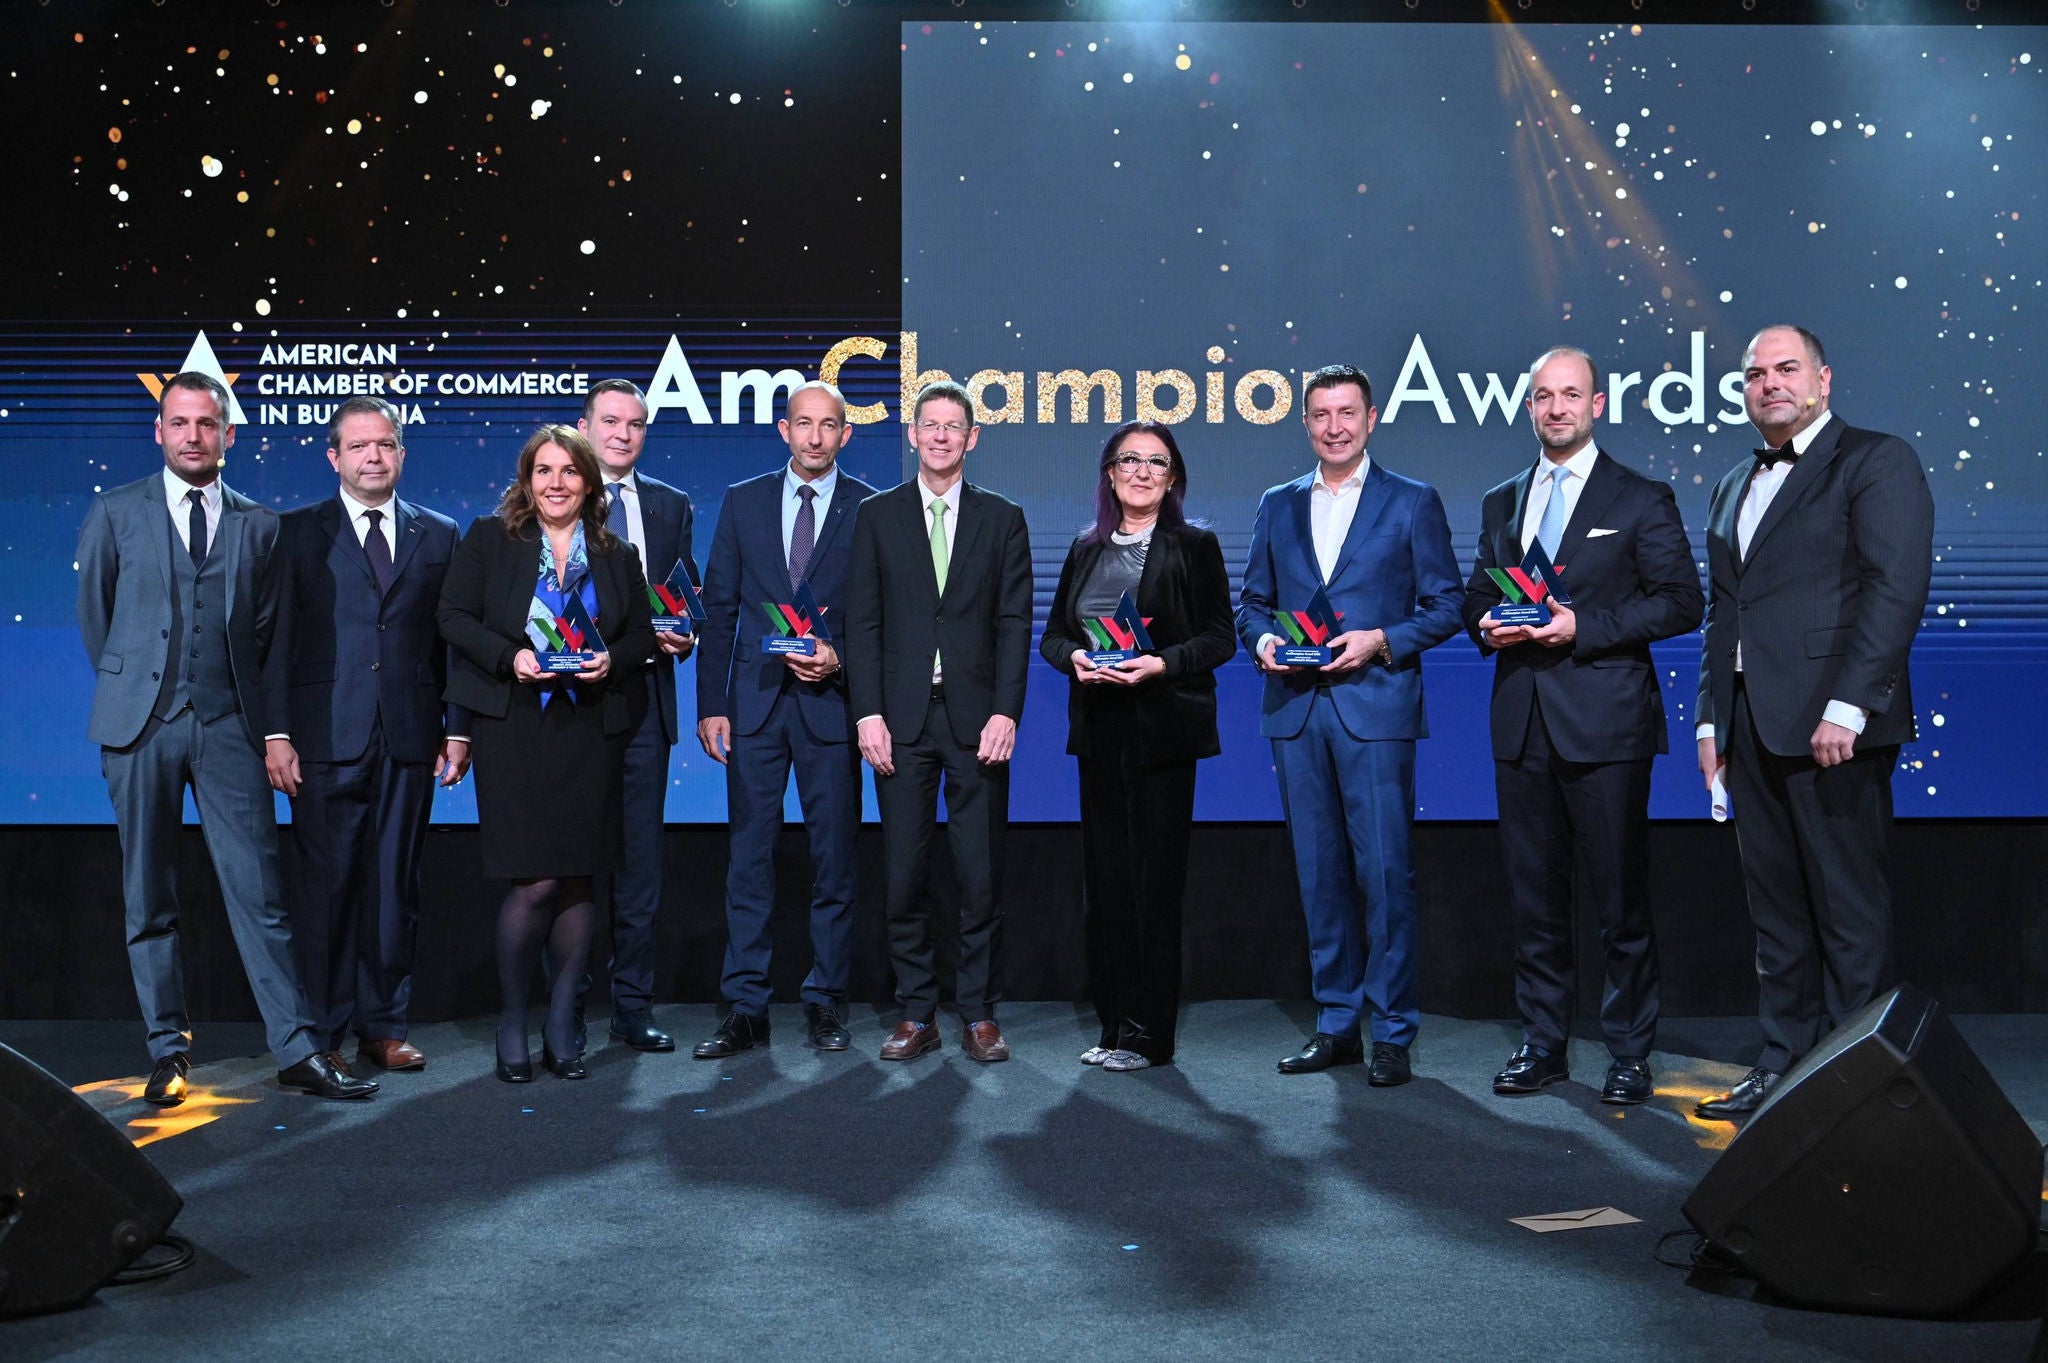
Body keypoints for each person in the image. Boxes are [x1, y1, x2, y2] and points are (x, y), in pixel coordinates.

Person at [76, 370, 375, 1104]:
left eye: (206, 424)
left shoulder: (259, 524)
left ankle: (296, 1048)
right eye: (179, 423)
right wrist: (136, 688)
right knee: (148, 895)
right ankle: (167, 1051)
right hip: (139, 728)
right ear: (159, 431)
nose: (193, 436)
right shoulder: (115, 512)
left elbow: (267, 637)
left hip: (229, 727)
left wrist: (265, 727)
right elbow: (98, 619)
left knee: (260, 894)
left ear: (228, 434)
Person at [1693, 325, 1933, 1118]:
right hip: (1751, 725)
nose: (1770, 384)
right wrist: (1710, 722)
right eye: (1755, 374)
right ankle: (1784, 1066)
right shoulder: (1733, 482)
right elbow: (1724, 612)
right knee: (1777, 914)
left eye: (1786, 369)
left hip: (1835, 727)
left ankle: (1857, 1083)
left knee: (1849, 914)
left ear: (1823, 380)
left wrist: (1849, 705)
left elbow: (1895, 589)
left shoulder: (1876, 459)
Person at [1463, 348, 1703, 1105]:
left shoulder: (1640, 496)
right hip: (1521, 722)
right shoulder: (1502, 500)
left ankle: (1629, 1051)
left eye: (1570, 395)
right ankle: (1543, 1044)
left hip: (1607, 727)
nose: (1556, 408)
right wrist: (1486, 624)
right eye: (1543, 396)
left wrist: (1582, 627)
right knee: (1534, 899)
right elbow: (1477, 593)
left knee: (1619, 900)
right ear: (1529, 407)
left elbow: (1681, 602)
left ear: (1597, 404)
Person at [1237, 363, 1463, 1084]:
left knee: (1386, 876)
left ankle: (1392, 1030)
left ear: (1371, 419)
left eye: (1347, 413)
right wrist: (1263, 643)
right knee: (1319, 876)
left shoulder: (1413, 500)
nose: (1334, 427)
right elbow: (1251, 603)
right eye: (1321, 415)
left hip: (1376, 708)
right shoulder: (1277, 503)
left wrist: (1382, 640)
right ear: (1305, 423)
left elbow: (1447, 605)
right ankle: (1336, 1022)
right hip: (1297, 710)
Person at [437, 425, 655, 1082]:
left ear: (588, 481)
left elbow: (642, 634)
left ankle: (563, 1022)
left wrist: (611, 660)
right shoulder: (490, 539)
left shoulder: (616, 553)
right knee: (533, 880)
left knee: (581, 877)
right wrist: (511, 656)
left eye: (568, 471)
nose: (555, 483)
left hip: (590, 730)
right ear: (526, 480)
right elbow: (452, 617)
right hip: (514, 728)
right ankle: (513, 1020)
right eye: (543, 470)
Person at [263, 396, 472, 1077]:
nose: (373, 456)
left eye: (385, 444)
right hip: (323, 735)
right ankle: (320, 1032)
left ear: (402, 454)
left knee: (393, 888)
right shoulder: (296, 532)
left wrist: (458, 729)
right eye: (358, 446)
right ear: (334, 457)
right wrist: (276, 732)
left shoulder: (439, 533)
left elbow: (452, 640)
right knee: (326, 891)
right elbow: (276, 641)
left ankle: (383, 1026)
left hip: (410, 735)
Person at [1039, 422, 1236, 1072]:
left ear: (1173, 476)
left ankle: (1151, 1036)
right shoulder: (1085, 547)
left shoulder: (1195, 545)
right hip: (1100, 734)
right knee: (1108, 887)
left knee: (1154, 889)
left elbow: (1220, 638)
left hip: (1163, 735)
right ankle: (1114, 1026)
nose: (1143, 471)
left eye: (1157, 461)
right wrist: (1076, 660)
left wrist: (1161, 663)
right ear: (1110, 472)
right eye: (1130, 460)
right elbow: (1054, 636)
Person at [845, 380, 1032, 1063]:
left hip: (978, 720)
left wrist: (1006, 710)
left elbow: (1014, 623)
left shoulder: (1003, 517)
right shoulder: (877, 515)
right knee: (904, 874)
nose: (942, 436)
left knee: (979, 875)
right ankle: (916, 1011)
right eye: (931, 425)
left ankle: (978, 1012)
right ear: (913, 434)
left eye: (955, 426)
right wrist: (867, 711)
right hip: (899, 722)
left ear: (972, 437)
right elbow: (862, 623)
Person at [693, 381, 876, 1058]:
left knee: (835, 860)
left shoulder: (870, 507)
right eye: (804, 423)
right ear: (784, 429)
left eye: (829, 425)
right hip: (755, 705)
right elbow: (719, 608)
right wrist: (711, 703)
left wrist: (840, 658)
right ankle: (746, 1005)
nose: (815, 436)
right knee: (748, 859)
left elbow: (877, 614)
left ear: (845, 434)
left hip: (832, 707)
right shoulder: (742, 500)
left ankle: (827, 1000)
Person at [573, 378, 696, 1055]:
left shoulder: (671, 505)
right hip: (568, 703)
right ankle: (564, 1008)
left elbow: (684, 591)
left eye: (636, 424)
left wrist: (685, 630)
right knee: (568, 859)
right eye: (611, 421)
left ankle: (632, 1005)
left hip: (646, 701)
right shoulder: (555, 495)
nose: (623, 434)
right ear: (584, 427)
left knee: (641, 863)